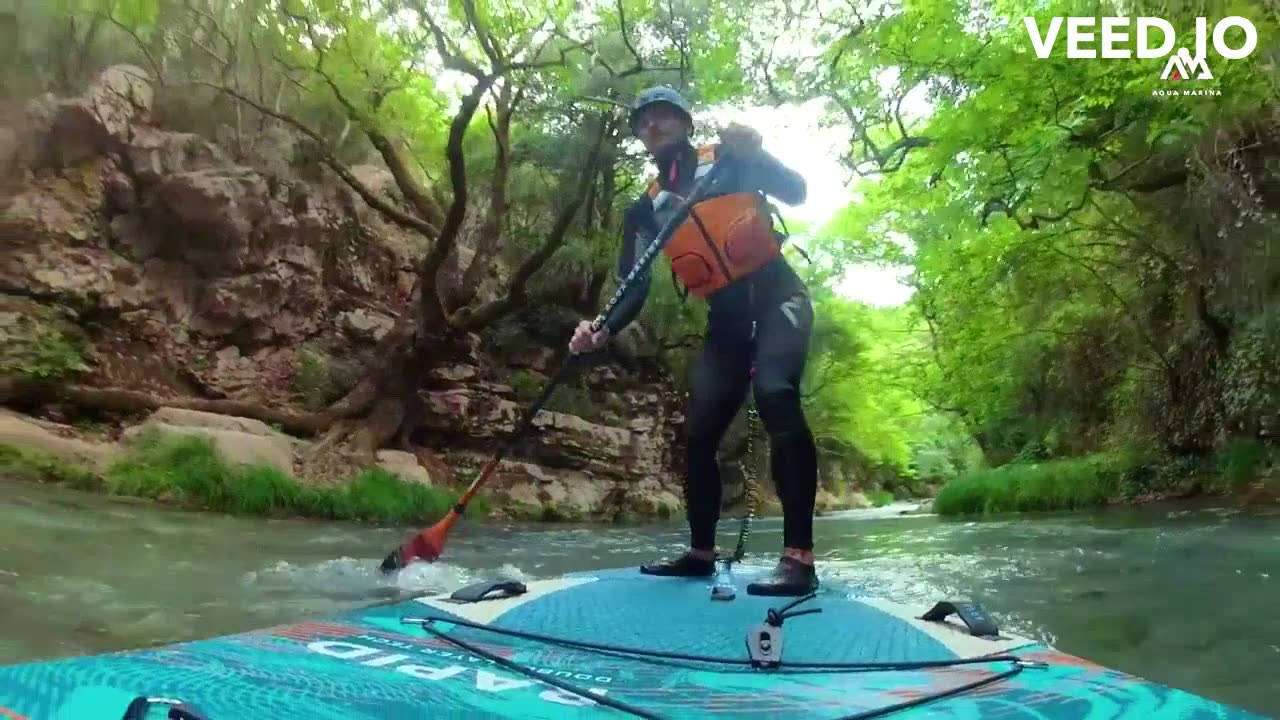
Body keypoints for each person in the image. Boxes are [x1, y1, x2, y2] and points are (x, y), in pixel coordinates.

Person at [568, 86, 820, 597]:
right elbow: (633, 284)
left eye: (664, 117)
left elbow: (796, 191)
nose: (653, 127)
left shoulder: (731, 161)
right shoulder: (643, 211)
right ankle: (701, 554)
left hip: (778, 302)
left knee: (776, 393)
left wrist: (759, 153)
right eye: (644, 122)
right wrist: (602, 327)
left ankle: (799, 559)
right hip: (726, 325)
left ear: (685, 123)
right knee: (700, 435)